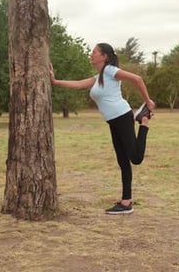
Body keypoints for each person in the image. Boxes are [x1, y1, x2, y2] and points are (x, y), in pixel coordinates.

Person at [49, 43, 155, 215]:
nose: (91, 54)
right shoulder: (99, 76)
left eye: (94, 52)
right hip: (113, 121)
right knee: (123, 162)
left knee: (135, 158)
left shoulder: (110, 71)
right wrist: (54, 81)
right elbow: (78, 84)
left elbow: (138, 79)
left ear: (104, 56)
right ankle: (126, 202)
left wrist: (148, 101)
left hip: (122, 116)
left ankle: (144, 120)